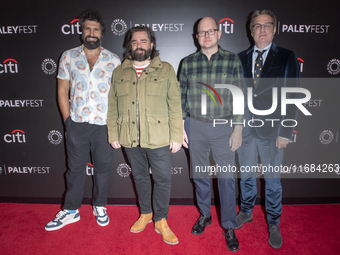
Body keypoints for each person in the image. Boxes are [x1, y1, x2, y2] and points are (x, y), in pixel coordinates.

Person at [45, 10, 121, 231]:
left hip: (104, 125)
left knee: (103, 169)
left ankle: (99, 205)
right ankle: (70, 210)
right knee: (75, 169)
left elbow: (117, 96)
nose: (91, 32)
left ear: (102, 33)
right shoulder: (68, 56)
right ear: (81, 31)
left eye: (95, 29)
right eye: (87, 28)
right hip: (77, 123)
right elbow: (62, 91)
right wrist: (68, 122)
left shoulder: (114, 60)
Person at [107, 26, 182, 245]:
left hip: (159, 137)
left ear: (151, 44)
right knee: (139, 177)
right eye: (134, 42)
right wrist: (113, 132)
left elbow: (175, 105)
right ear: (129, 45)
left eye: (143, 41)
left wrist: (176, 135)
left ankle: (161, 219)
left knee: (162, 179)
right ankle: (146, 213)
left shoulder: (166, 70)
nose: (139, 45)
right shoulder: (119, 72)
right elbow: (112, 107)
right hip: (129, 137)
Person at [236, 10, 300, 249]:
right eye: (257, 26)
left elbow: (293, 95)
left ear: (275, 29)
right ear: (250, 30)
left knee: (272, 180)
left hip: (273, 132)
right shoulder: (240, 58)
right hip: (245, 131)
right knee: (246, 176)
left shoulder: (286, 56)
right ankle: (246, 211)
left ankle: (273, 222)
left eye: (267, 25)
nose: (261, 30)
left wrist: (286, 130)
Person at [179, 17, 245, 252]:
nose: (206, 36)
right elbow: (181, 99)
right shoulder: (187, 63)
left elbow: (239, 96)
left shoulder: (232, 60)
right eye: (201, 32)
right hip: (194, 125)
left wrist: (238, 128)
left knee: (226, 179)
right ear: (196, 37)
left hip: (224, 126)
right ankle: (205, 214)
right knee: (199, 176)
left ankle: (228, 224)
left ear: (219, 34)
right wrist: (180, 127)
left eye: (211, 31)